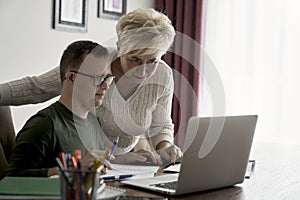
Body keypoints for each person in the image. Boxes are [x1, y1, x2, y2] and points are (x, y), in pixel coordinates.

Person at [0, 8, 183, 166]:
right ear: (120, 47)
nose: (143, 71)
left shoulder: (162, 75)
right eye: (134, 59)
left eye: (152, 60)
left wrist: (165, 148)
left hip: (119, 163)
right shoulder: (95, 64)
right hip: (79, 160)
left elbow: (161, 123)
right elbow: (37, 88)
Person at [7, 40, 114, 177]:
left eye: (108, 78)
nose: (105, 86)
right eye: (99, 78)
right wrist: (71, 169)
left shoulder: (94, 122)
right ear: (71, 78)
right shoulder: (43, 125)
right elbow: (13, 179)